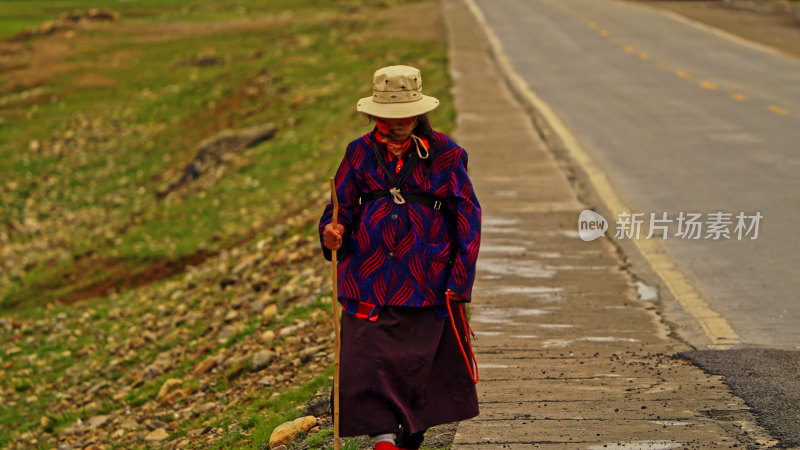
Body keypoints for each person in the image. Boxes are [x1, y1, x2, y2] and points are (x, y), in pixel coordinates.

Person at [319, 65, 481, 450]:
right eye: (389, 117)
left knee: (415, 363)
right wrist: (332, 231)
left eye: (406, 115)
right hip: (368, 274)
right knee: (368, 356)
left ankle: (410, 433)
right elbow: (339, 208)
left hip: (427, 276)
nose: (398, 124)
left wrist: (459, 281)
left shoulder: (446, 154)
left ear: (420, 112)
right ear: (375, 114)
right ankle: (383, 436)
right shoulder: (358, 153)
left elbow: (468, 219)